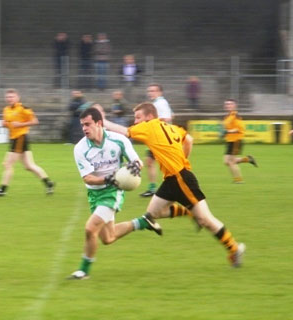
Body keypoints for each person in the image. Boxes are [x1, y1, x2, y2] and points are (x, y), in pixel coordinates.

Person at [103, 102, 246, 268]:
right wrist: (183, 160)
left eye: (138, 117)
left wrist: (102, 121)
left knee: (205, 219)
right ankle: (188, 212)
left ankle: (235, 249)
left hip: (180, 178)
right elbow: (189, 140)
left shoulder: (150, 126)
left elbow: (124, 131)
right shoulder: (170, 127)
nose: (135, 121)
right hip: (172, 178)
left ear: (149, 117)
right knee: (152, 214)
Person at [69, 107, 162, 280]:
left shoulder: (118, 140)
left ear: (99, 123)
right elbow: (88, 178)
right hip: (95, 193)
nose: (84, 128)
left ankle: (83, 271)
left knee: (90, 228)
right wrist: (107, 179)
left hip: (113, 191)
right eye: (82, 125)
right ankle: (142, 222)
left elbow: (136, 161)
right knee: (108, 237)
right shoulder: (80, 148)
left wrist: (135, 167)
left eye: (88, 124)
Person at [0, 89, 55, 197]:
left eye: (12, 97)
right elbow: (8, 123)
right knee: (29, 166)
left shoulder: (23, 109)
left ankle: (2, 190)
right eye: (8, 97)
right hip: (14, 139)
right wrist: (5, 124)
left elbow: (35, 121)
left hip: (20, 137)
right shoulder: (6, 109)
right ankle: (49, 183)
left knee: (8, 164)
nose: (9, 99)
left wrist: (20, 125)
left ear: (17, 98)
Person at [139, 83, 173, 197]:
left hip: (160, 138)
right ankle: (153, 188)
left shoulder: (160, 103)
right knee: (150, 161)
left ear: (160, 92)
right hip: (156, 137)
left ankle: (173, 186)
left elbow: (167, 118)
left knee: (165, 164)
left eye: (153, 91)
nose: (150, 93)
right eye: (149, 91)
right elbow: (171, 115)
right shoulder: (158, 103)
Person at [222, 99, 257, 183]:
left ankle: (238, 180)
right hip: (229, 140)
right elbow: (228, 128)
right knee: (226, 161)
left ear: (234, 106)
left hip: (236, 140)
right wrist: (225, 132)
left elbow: (240, 128)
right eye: (226, 104)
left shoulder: (236, 116)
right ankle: (248, 159)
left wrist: (228, 131)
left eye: (230, 104)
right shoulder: (227, 117)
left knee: (231, 162)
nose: (228, 106)